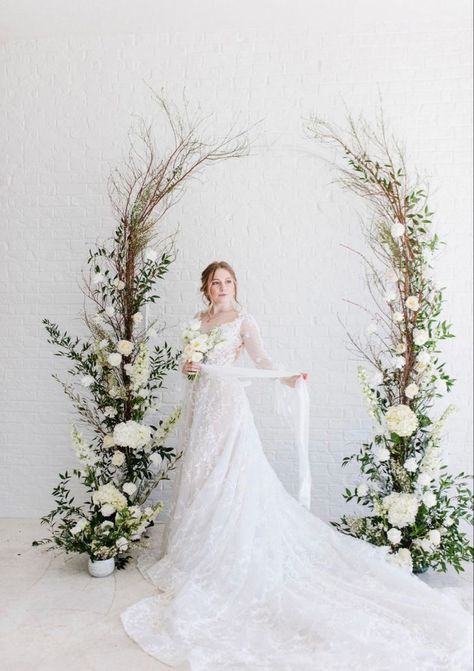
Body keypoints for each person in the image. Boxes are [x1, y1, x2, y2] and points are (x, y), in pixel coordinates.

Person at [120, 261, 472, 671]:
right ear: (206, 287)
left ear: (235, 285)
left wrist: (288, 378)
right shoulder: (196, 322)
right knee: (199, 474)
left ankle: (225, 543)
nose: (221, 287)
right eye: (215, 282)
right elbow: (188, 368)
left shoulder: (243, 320)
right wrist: (189, 368)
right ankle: (192, 548)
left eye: (228, 281)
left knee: (230, 475)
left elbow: (261, 359)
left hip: (229, 408)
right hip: (202, 407)